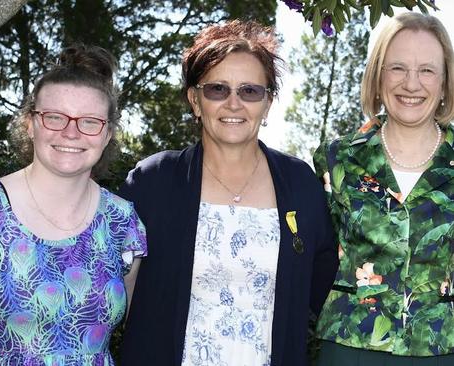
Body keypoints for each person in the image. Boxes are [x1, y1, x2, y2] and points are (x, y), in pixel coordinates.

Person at [0, 44, 147, 365]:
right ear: (30, 124)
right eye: (54, 117)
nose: (71, 132)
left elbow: (138, 328)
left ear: (107, 134)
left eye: (89, 122)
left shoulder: (122, 222)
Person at [119, 20, 338, 366]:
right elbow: (116, 296)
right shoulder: (152, 181)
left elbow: (327, 294)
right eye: (217, 89)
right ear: (195, 100)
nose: (234, 103)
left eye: (250, 91)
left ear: (267, 104)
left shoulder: (300, 185)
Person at [313, 12, 454, 365]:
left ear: (445, 82)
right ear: (377, 76)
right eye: (397, 68)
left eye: (426, 70)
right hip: (350, 346)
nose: (411, 83)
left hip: (440, 349)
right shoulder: (336, 159)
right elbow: (314, 260)